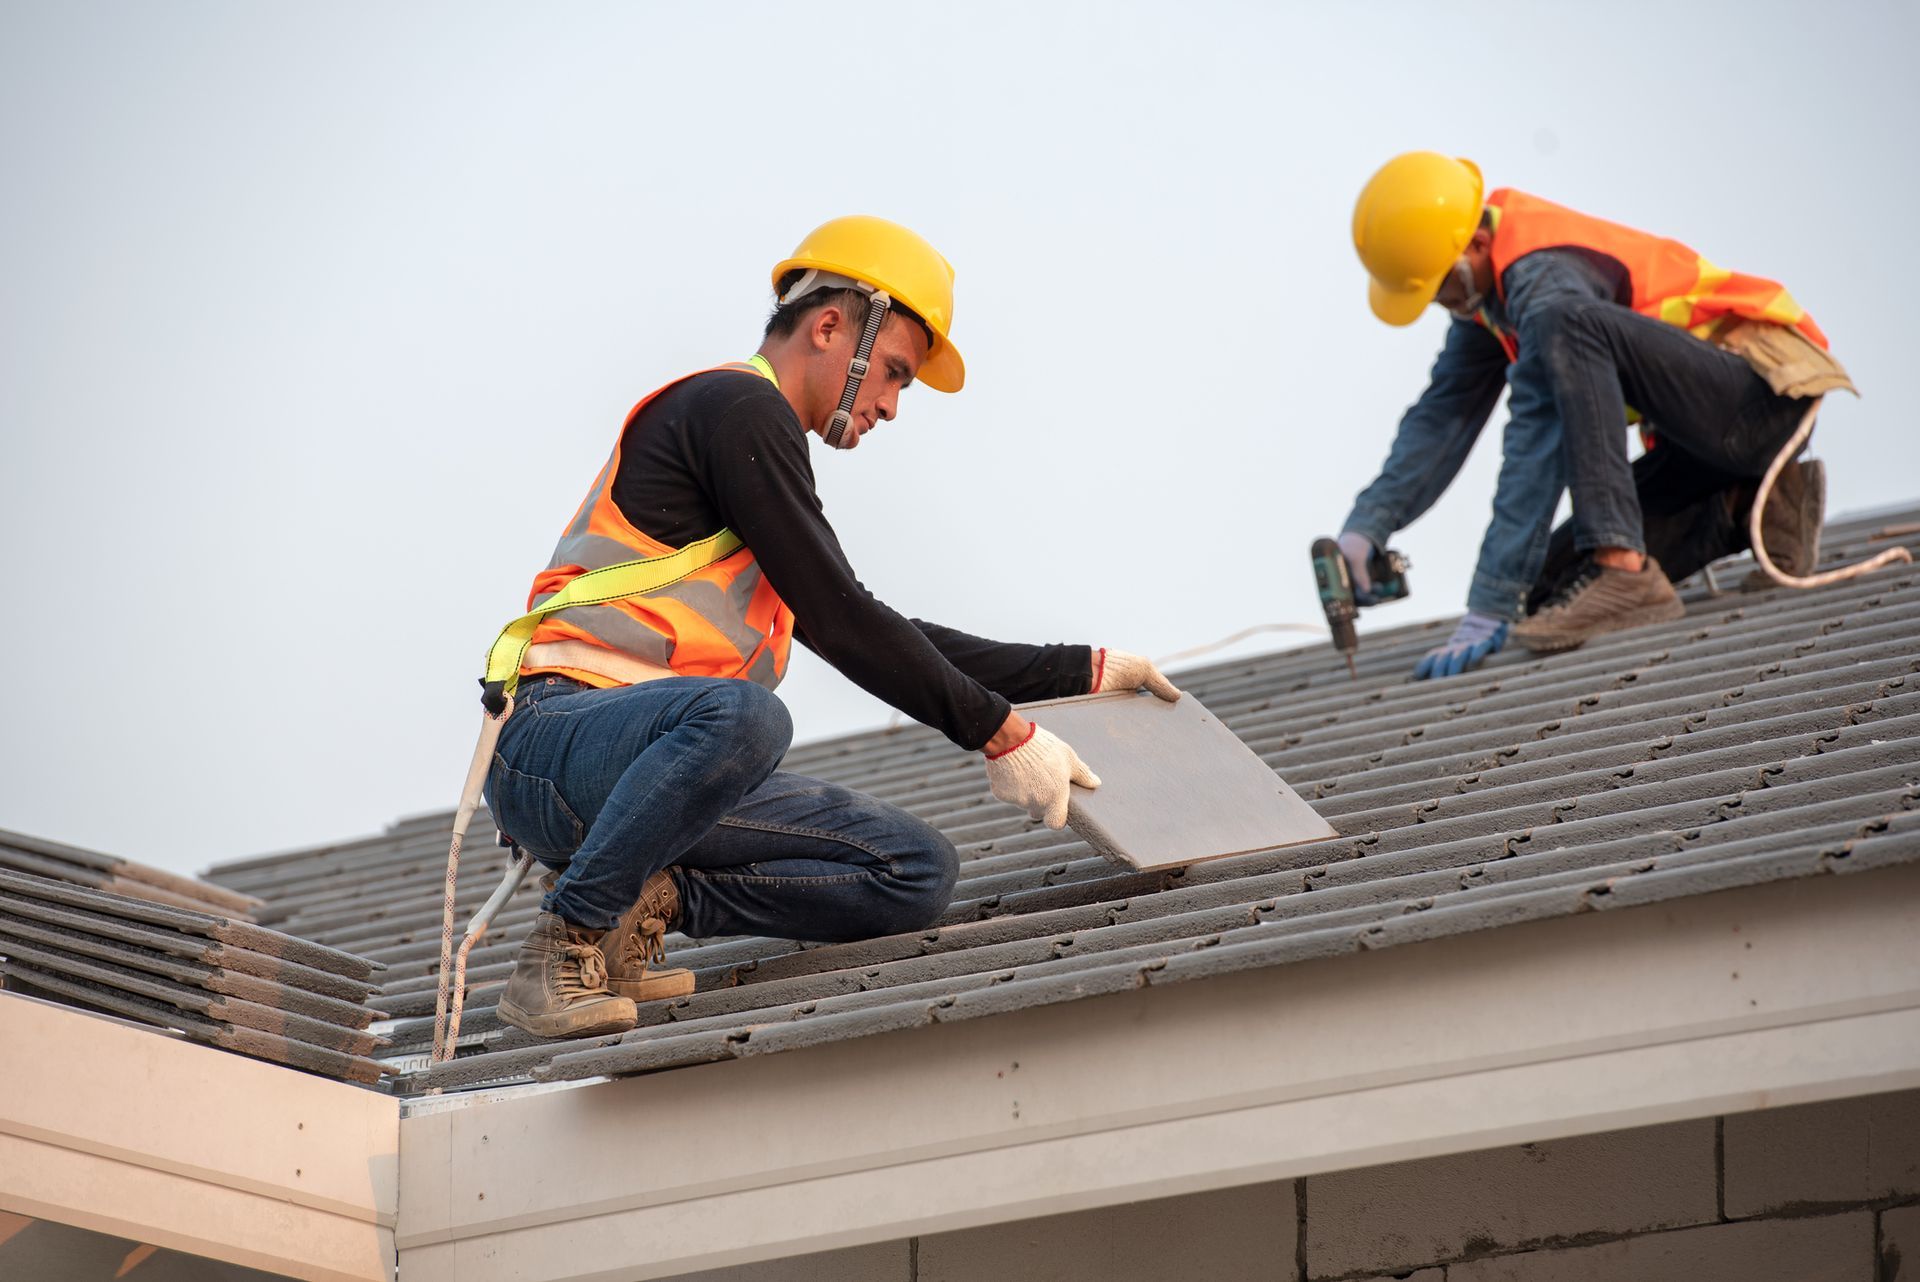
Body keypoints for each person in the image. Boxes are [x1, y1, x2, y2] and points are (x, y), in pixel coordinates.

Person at [480, 216, 1181, 1039]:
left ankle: (644, 902)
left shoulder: (753, 460)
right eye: (892, 374)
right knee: (746, 716)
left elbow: (870, 624)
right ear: (829, 327)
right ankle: (562, 945)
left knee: (916, 870)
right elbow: (845, 620)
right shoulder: (738, 408)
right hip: (555, 746)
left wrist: (1083, 670)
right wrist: (999, 733)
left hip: (655, 775)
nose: (888, 405)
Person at [1337, 152, 1852, 677]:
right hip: (1705, 450)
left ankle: (1622, 567)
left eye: (1441, 286)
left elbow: (1537, 436)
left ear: (1477, 245)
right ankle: (1754, 505)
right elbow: (1442, 417)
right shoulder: (1491, 295)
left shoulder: (1543, 280)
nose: (1445, 304)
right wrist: (1369, 524)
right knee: (1542, 592)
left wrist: (1490, 597)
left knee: (1568, 327)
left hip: (1761, 396)